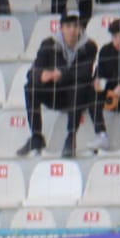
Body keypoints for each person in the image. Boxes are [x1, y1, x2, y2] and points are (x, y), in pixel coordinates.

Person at [18, 11, 101, 156]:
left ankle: (71, 137)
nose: (72, 30)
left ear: (80, 28)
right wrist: (41, 76)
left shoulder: (89, 46)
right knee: (30, 86)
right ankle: (36, 136)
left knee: (79, 85)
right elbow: (33, 71)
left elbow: (84, 73)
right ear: (61, 28)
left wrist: (61, 74)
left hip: (77, 96)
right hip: (54, 94)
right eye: (68, 26)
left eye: (76, 26)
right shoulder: (48, 44)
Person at [92, 17, 120, 153]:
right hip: (110, 95)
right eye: (114, 36)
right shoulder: (106, 50)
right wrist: (97, 82)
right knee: (89, 93)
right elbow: (99, 74)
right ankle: (101, 134)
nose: (118, 40)